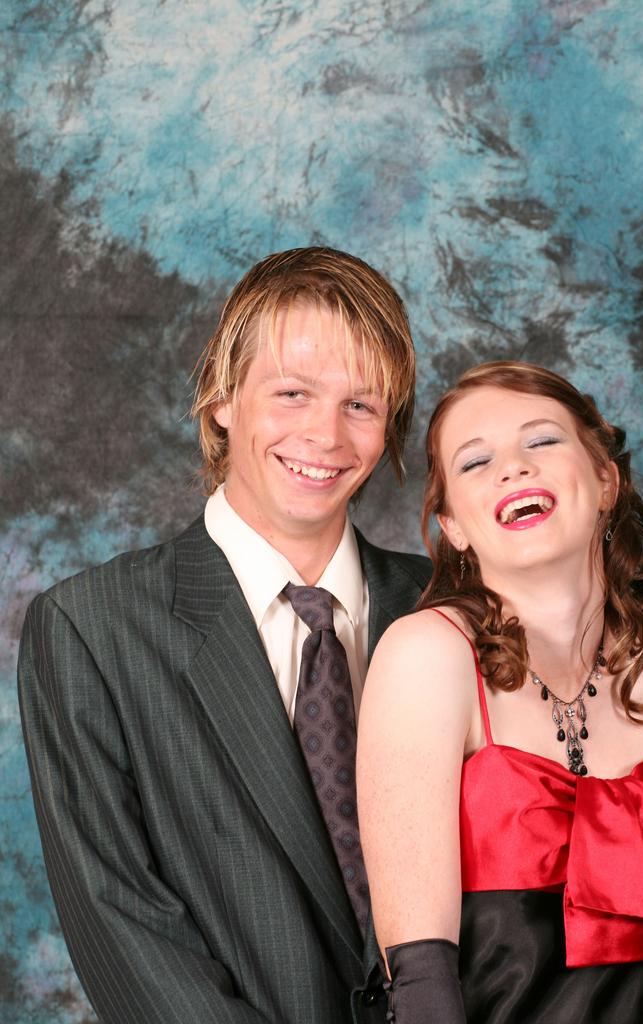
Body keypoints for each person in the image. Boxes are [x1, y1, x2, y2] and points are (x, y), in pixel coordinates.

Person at [17, 246, 432, 1024]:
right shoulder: (90, 631)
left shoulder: (449, 610)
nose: (326, 436)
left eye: (362, 405)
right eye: (292, 392)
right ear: (222, 397)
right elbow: (124, 927)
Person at [357, 361, 643, 1023]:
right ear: (454, 526)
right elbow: (420, 978)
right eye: (475, 461)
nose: (512, 468)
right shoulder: (427, 653)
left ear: (605, 479)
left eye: (541, 441)